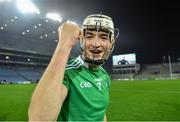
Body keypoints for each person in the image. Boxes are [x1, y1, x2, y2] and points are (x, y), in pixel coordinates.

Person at [28, 13, 119, 121]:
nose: (96, 43)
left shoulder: (105, 76)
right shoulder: (67, 72)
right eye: (89, 36)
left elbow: (101, 114)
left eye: (103, 37)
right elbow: (38, 119)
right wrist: (64, 45)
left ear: (111, 43)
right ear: (81, 40)